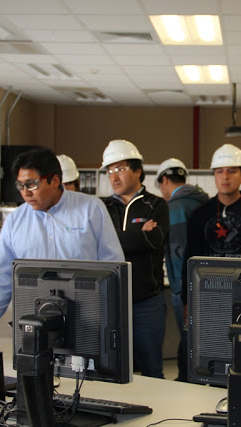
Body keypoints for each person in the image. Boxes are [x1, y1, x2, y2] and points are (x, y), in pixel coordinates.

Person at [0, 147, 124, 338]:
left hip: (87, 321)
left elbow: (113, 267)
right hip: (33, 323)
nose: (26, 193)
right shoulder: (14, 222)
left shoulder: (91, 209)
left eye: (32, 184)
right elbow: (3, 279)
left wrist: (112, 321)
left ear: (54, 180)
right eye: (20, 186)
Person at [100, 139, 169, 379]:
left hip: (146, 302)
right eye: (110, 171)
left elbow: (154, 241)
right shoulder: (102, 207)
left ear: (137, 171)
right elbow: (97, 245)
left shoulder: (156, 204)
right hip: (110, 302)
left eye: (120, 169)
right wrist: (137, 237)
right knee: (113, 369)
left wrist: (115, 239)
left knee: (151, 369)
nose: (114, 177)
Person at [181, 144, 241, 309]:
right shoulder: (199, 215)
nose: (225, 177)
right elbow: (189, 259)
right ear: (214, 175)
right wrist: (187, 299)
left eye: (232, 171)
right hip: (208, 293)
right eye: (219, 171)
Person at [156, 157, 208, 382]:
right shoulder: (203, 199)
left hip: (185, 286)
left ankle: (186, 381)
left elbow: (178, 253)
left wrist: (179, 291)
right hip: (207, 282)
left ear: (164, 180)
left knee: (188, 336)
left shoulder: (175, 207)